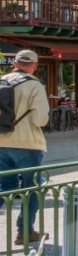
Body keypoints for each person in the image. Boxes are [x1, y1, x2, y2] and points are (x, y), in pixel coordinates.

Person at [0, 50, 50, 245]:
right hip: (27, 144)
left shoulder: (2, 80)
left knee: (5, 187)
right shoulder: (35, 86)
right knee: (33, 188)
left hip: (1, 142)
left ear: (15, 63)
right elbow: (40, 120)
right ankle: (25, 231)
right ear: (34, 66)